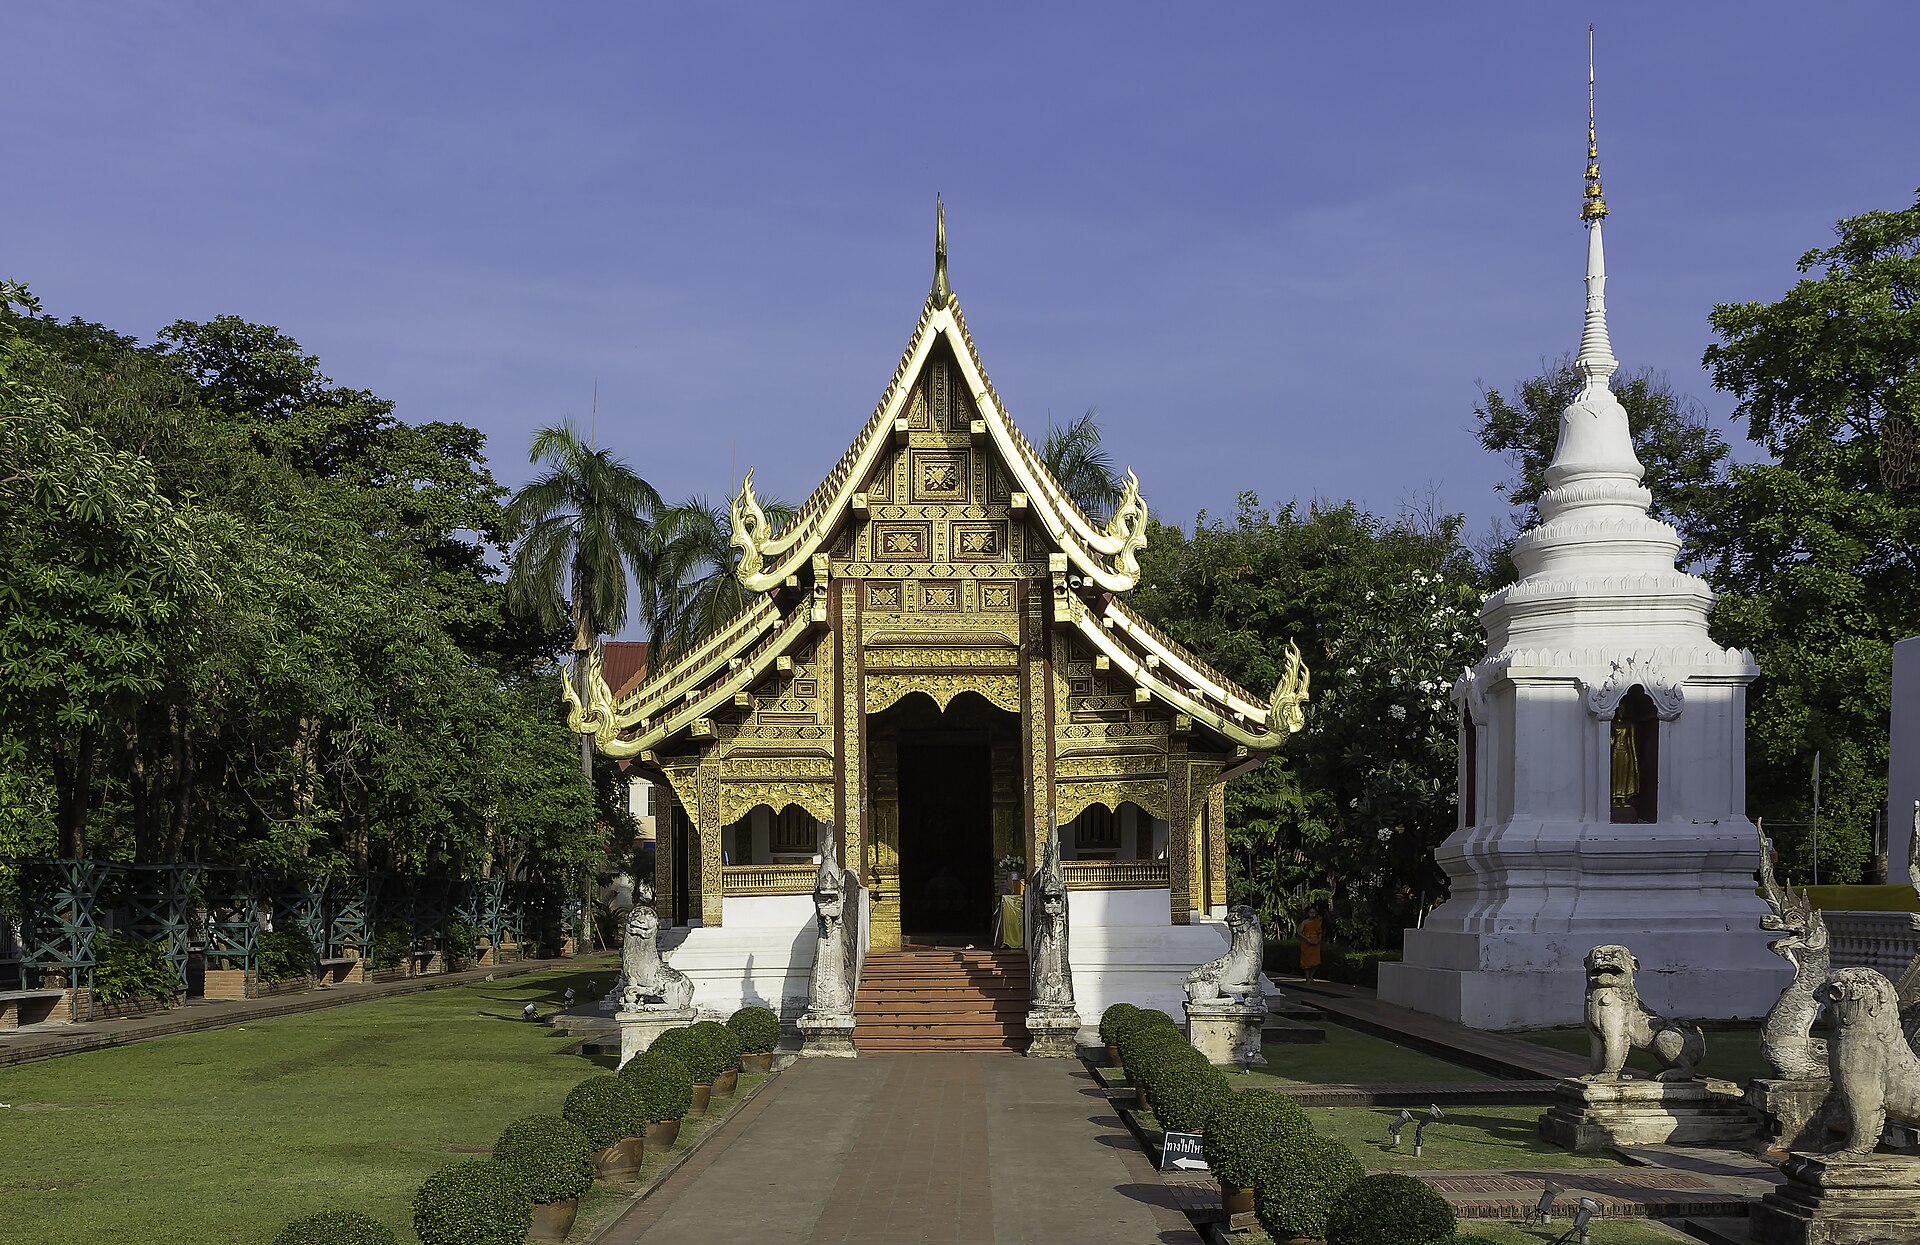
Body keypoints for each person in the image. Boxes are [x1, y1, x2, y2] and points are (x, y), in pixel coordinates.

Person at [1297, 905, 1324, 984]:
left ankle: (1311, 977)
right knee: (1306, 962)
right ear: (1308, 913)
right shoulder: (1305, 922)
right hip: (1306, 943)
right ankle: (1307, 978)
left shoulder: (1318, 922)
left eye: (1314, 913)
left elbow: (1320, 932)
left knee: (1316, 962)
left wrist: (1319, 940)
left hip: (1315, 943)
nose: (1312, 914)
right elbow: (1299, 932)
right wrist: (1307, 939)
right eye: (1311, 912)